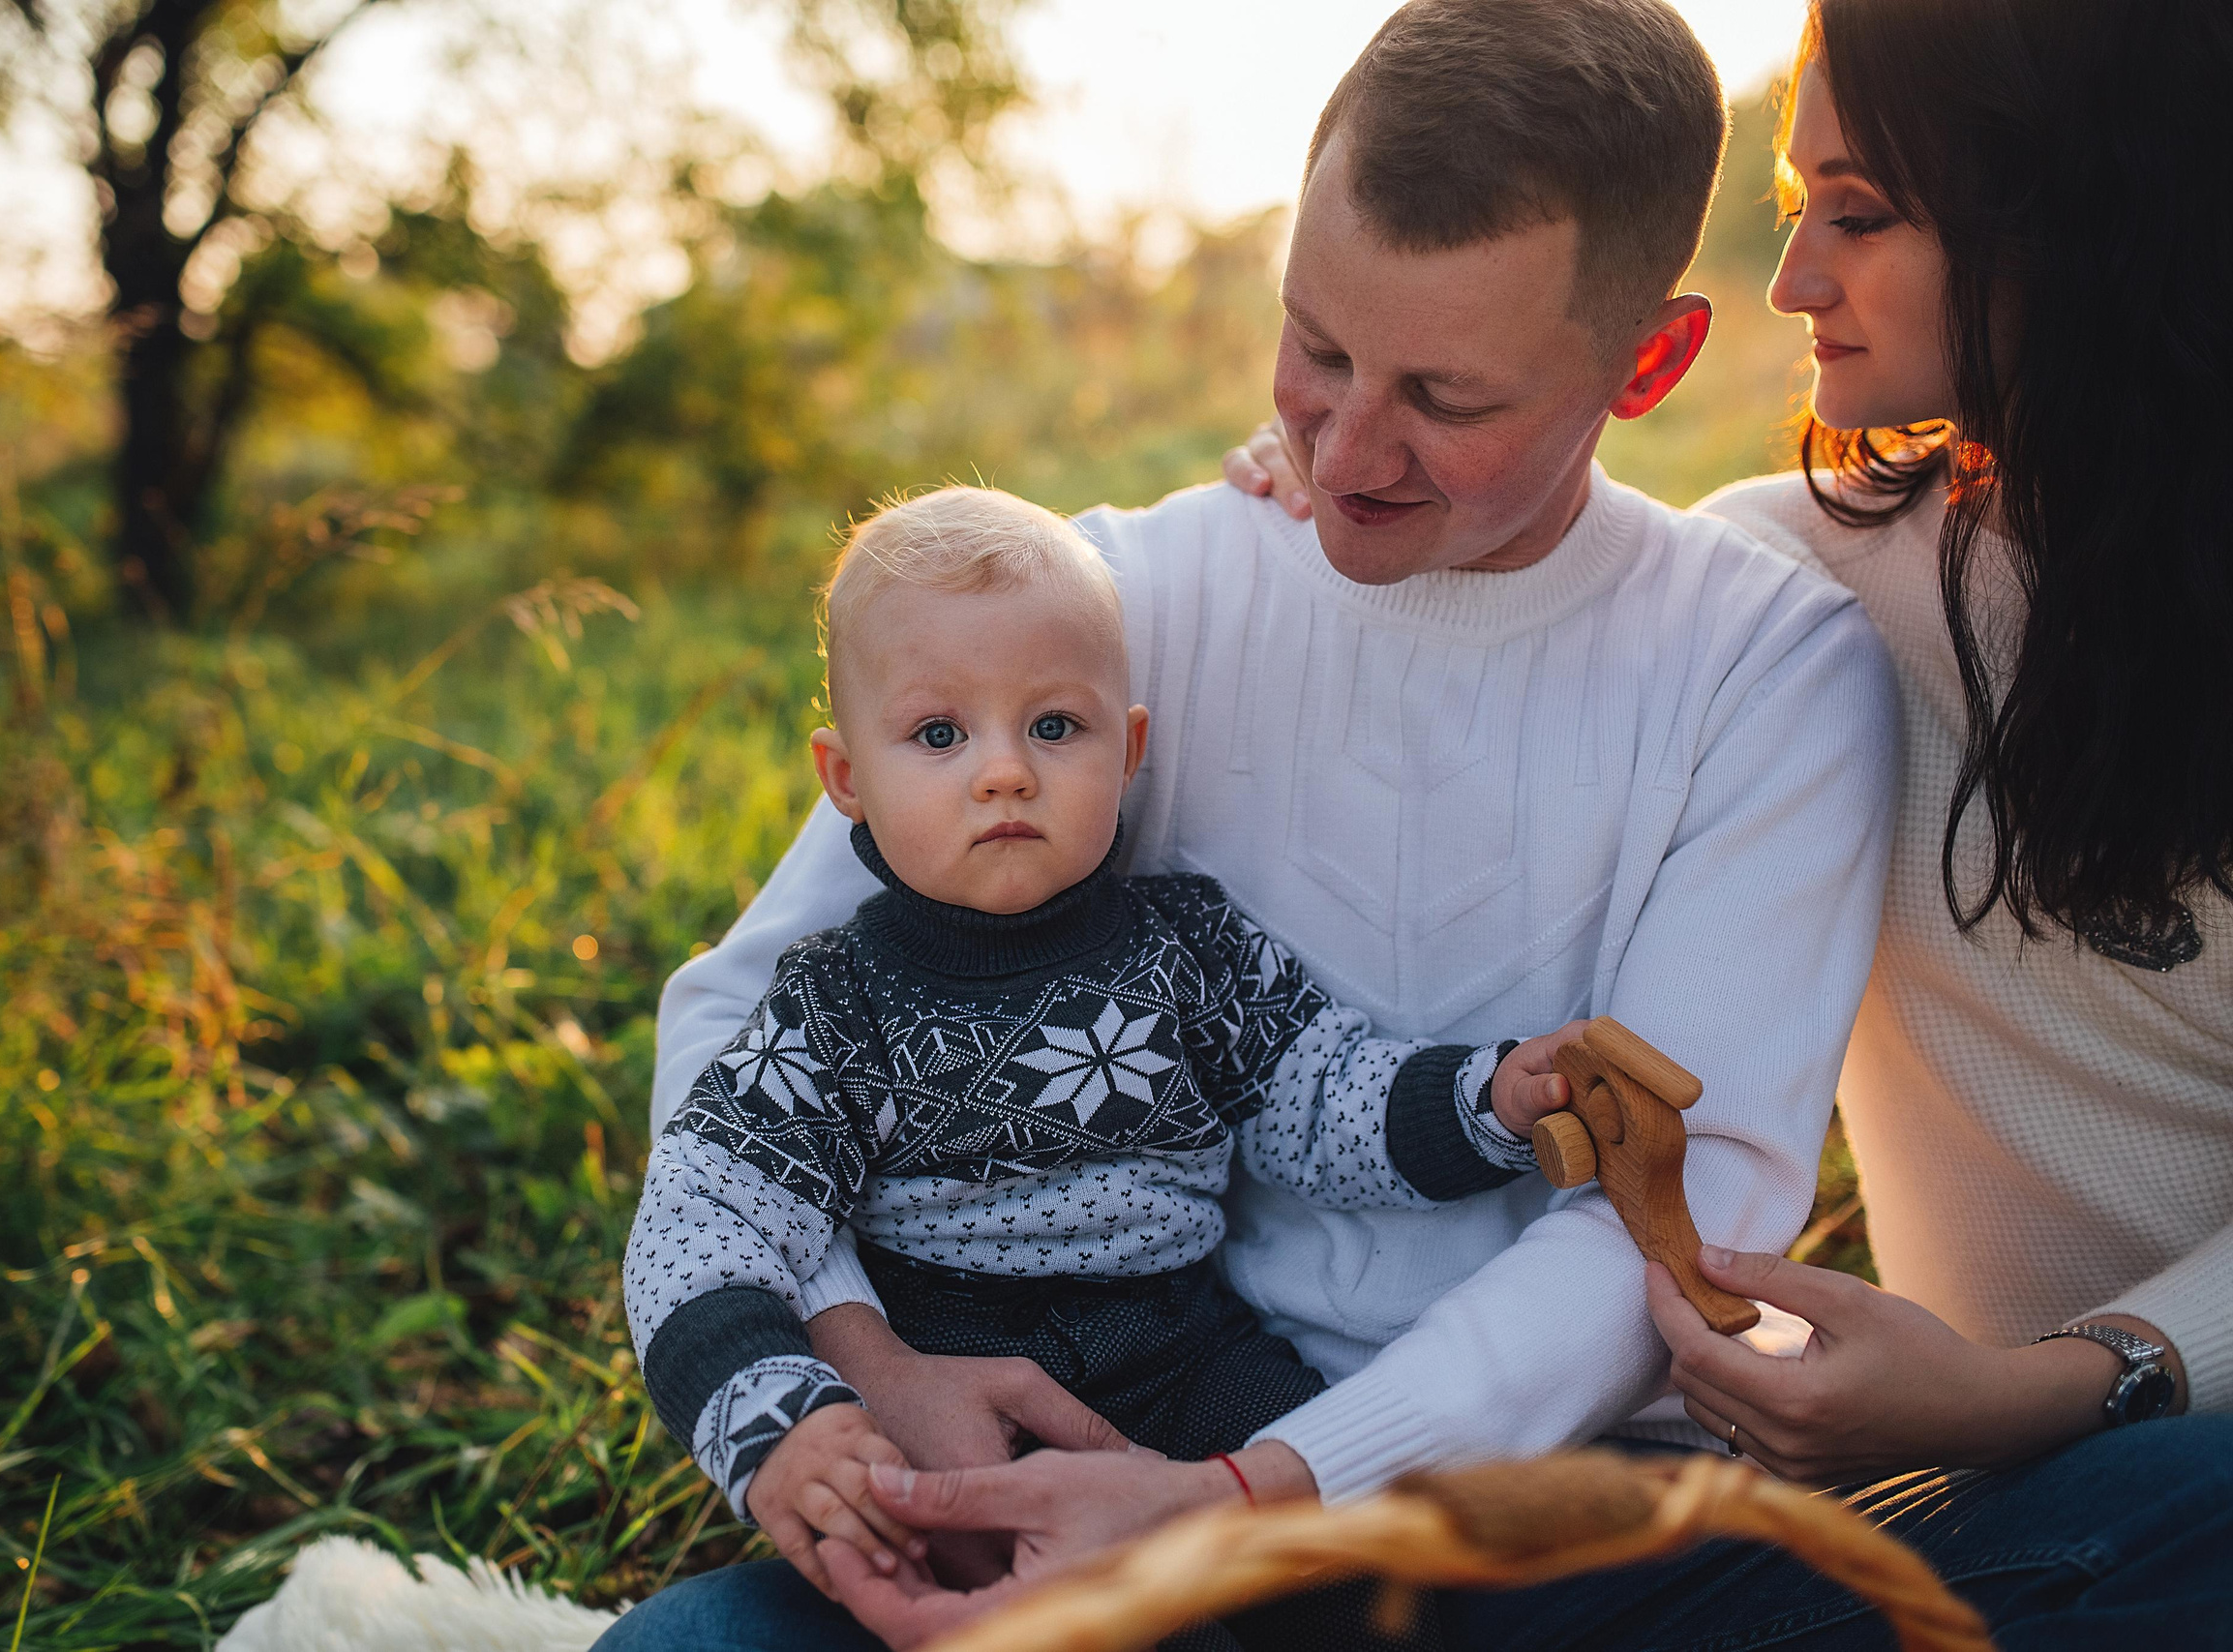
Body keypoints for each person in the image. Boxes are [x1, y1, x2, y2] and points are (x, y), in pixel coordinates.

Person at [601, 2, 1902, 1645]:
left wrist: (1248, 1497)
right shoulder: (1125, 600)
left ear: (1648, 362)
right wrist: (875, 1365)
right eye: (1317, 345)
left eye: (1444, 393)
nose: (1346, 450)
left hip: (1530, 1509)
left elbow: (1673, 1226)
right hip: (1077, 1438)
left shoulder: (1766, 673)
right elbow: (746, 1020)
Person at [1219, 0, 2233, 1642]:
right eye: (1798, 198)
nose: (1794, 278)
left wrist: (2056, 1383)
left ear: (2077, 218)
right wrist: (1313, 475)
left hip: (2114, 1448)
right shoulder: (1792, 586)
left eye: (1864, 211)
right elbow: (1528, 561)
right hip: (2003, 1498)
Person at [624, 484, 1580, 1602]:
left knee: (1341, 1583)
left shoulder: (1189, 945)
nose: (1004, 770)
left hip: (1187, 1351)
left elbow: (1323, 1101)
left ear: (1127, 750)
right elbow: (703, 1221)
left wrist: (1492, 1101)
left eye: (1053, 725)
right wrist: (788, 1425)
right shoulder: (836, 1008)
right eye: (939, 734)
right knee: (988, 1602)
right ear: (847, 780)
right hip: (949, 1379)